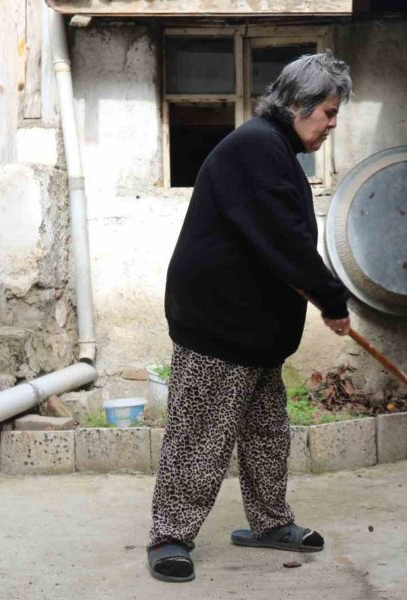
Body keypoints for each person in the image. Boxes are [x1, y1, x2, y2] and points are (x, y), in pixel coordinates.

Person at [147, 51, 353, 583]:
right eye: (329, 112)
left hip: (257, 331)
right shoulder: (257, 148)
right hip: (218, 325)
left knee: (266, 433)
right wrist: (331, 298)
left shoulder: (275, 149)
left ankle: (268, 523)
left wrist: (319, 295)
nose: (332, 124)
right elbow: (283, 241)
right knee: (200, 435)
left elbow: (278, 243)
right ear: (300, 105)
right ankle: (170, 534)